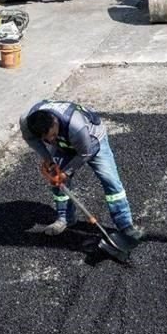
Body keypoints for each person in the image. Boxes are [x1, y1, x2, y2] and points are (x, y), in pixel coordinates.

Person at [20, 100, 143, 240]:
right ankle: (65, 218)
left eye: (53, 135)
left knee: (110, 180)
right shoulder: (27, 122)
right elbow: (31, 139)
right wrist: (48, 159)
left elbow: (85, 153)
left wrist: (66, 172)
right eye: (47, 139)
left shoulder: (75, 125)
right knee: (58, 184)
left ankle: (125, 226)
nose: (50, 140)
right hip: (63, 144)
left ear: (54, 122)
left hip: (92, 140)